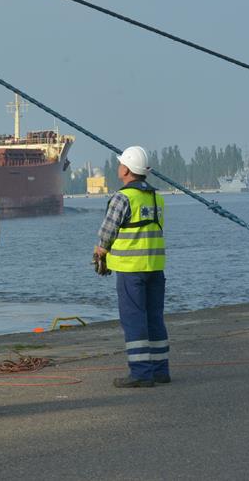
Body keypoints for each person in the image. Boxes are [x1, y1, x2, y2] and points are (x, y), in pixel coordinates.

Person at [93, 146, 170, 388]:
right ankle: (160, 370)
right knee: (154, 317)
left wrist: (100, 252)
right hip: (155, 267)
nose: (119, 167)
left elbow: (108, 232)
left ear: (126, 170)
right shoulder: (156, 198)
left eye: (121, 164)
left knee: (134, 319)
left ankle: (140, 373)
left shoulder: (122, 197)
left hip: (131, 270)